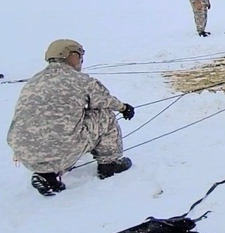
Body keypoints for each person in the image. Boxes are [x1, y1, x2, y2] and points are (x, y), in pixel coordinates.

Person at [7, 39, 135, 196]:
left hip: (23, 152)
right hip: (62, 149)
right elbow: (104, 100)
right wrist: (124, 108)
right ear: (72, 56)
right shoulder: (80, 80)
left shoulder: (34, 81)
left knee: (52, 128)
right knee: (104, 114)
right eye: (80, 56)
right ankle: (109, 163)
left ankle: (47, 175)